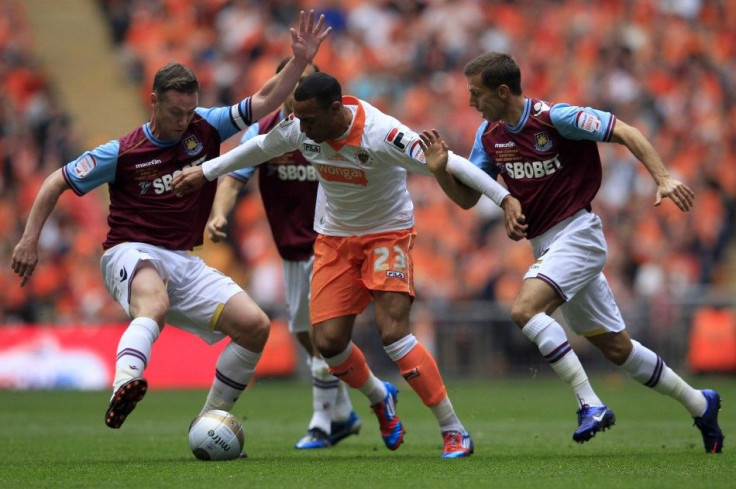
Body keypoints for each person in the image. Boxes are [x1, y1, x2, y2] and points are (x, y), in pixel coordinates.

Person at [171, 71, 524, 458]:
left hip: (387, 234)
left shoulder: (383, 133)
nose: (300, 128)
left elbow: (453, 164)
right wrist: (204, 173)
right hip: (334, 240)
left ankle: (453, 430)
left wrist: (504, 198)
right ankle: (380, 396)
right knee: (329, 343)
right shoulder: (300, 127)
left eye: (308, 119)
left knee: (394, 334)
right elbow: (256, 148)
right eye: (298, 119)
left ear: (335, 109)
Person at [10, 10, 331, 432]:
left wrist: (299, 59)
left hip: (181, 259)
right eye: (176, 113)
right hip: (130, 250)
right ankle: (124, 384)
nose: (184, 122)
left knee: (254, 327)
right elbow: (56, 181)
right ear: (155, 101)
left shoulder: (207, 126)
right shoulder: (122, 152)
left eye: (190, 112)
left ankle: (208, 420)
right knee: (154, 304)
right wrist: (28, 240)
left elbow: (266, 102)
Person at [419, 51, 724, 453]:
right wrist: (441, 169)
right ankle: (701, 404)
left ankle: (590, 403)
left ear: (504, 90)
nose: (471, 103)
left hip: (579, 233)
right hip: (547, 246)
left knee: (524, 309)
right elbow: (466, 200)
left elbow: (626, 131)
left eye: (476, 94)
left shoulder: (555, 118)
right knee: (618, 349)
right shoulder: (489, 137)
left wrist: (664, 178)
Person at [207, 58, 361, 449]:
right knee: (305, 334)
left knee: (319, 335)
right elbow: (233, 175)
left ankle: (323, 422)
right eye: (294, 82)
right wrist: (219, 215)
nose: (299, 91)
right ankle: (345, 413)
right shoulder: (265, 130)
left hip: (331, 244)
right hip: (292, 251)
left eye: (307, 83)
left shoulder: (331, 129)